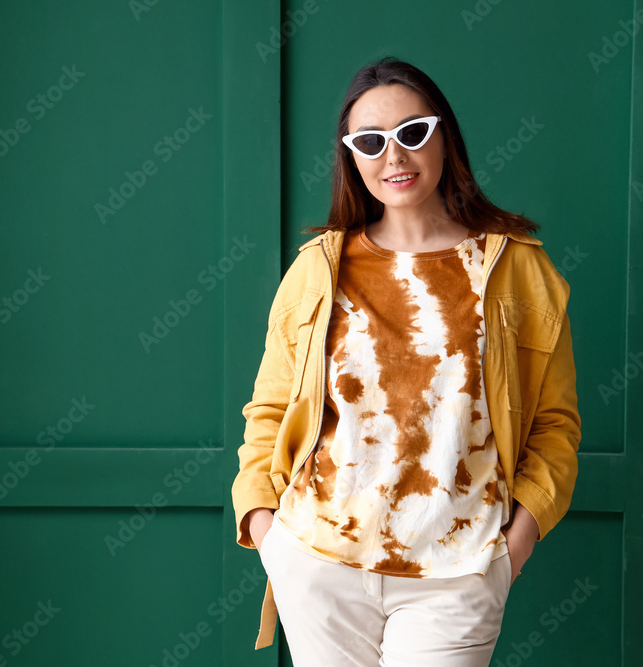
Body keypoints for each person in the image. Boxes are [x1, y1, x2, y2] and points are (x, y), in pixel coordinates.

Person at [231, 56, 581, 666]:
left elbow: (554, 427)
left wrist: (513, 547)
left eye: (412, 133)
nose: (394, 156)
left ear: (444, 135)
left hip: (458, 569)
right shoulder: (319, 268)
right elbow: (268, 410)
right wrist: (266, 529)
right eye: (370, 141)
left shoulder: (518, 268)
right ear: (351, 157)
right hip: (318, 563)